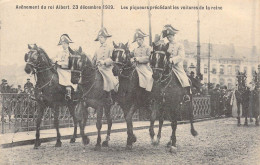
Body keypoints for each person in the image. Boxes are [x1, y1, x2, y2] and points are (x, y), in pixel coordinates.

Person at [162, 24, 191, 102]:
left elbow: (181, 56)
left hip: (176, 66)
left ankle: (186, 95)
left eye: (170, 36)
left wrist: (172, 60)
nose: (169, 38)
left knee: (184, 79)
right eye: (167, 37)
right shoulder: (166, 45)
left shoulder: (179, 45)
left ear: (174, 36)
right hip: (167, 66)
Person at [93, 27, 118, 103]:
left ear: (105, 38)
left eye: (101, 37)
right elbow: (94, 59)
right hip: (98, 68)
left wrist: (104, 62)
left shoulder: (110, 48)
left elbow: (112, 59)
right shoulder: (97, 49)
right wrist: (95, 63)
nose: (100, 39)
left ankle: (110, 96)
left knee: (110, 79)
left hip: (107, 69)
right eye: (99, 37)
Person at [52, 34, 77, 100]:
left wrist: (60, 64)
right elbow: (55, 58)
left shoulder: (70, 53)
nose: (63, 45)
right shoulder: (59, 52)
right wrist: (54, 61)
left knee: (66, 77)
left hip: (66, 70)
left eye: (65, 43)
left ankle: (68, 91)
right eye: (62, 43)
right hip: (58, 69)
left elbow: (69, 64)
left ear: (68, 44)